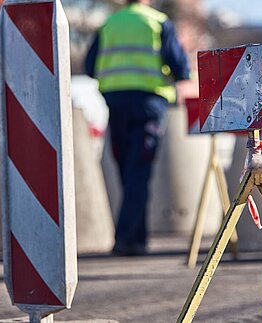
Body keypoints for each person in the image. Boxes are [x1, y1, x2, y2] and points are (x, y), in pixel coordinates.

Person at [85, 0, 190, 256]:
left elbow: (90, 67)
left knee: (127, 171)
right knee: (139, 171)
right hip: (148, 103)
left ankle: (137, 239)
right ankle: (125, 238)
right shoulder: (157, 22)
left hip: (116, 103)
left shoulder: (109, 23)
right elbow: (180, 67)